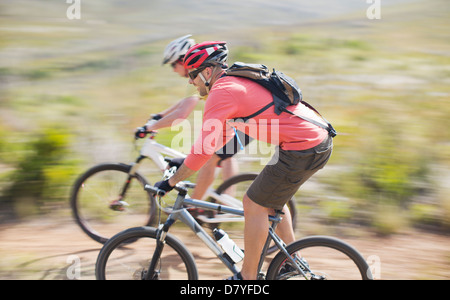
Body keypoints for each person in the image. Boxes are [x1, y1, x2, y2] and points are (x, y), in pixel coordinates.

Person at [154, 41, 333, 280]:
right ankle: (292, 260)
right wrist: (184, 160)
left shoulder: (222, 91)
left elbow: (205, 148)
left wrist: (172, 182)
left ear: (208, 72)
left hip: (303, 146)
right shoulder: (233, 83)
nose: (190, 81)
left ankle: (247, 278)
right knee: (271, 203)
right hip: (312, 141)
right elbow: (220, 139)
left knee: (253, 203)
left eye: (193, 74)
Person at [139, 35, 249, 202]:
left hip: (243, 121)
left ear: (183, 60)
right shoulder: (199, 77)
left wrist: (149, 127)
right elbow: (183, 104)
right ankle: (225, 199)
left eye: (173, 64)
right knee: (218, 154)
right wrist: (160, 116)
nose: (173, 70)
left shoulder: (200, 77)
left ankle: (197, 207)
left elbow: (181, 115)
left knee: (210, 156)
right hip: (241, 120)